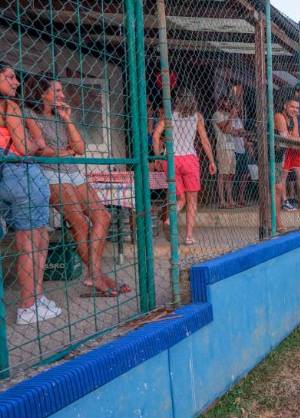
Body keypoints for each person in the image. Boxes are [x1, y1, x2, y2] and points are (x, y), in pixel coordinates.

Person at [24, 75, 130, 297]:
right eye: (58, 91)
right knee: (80, 224)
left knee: (103, 216)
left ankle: (95, 274)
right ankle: (98, 276)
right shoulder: (29, 114)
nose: (63, 96)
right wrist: (66, 152)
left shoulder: (59, 117)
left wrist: (67, 119)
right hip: (50, 174)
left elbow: (80, 148)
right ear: (42, 93)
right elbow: (40, 152)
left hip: (72, 171)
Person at [0, 63, 61, 324]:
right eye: (10, 77)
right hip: (21, 173)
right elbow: (25, 147)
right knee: (30, 242)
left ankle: (35, 297)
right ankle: (27, 305)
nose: (16, 82)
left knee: (37, 237)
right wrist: (35, 143)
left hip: (10, 176)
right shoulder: (9, 107)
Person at [153, 88, 217, 245]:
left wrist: (157, 157)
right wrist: (211, 160)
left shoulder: (168, 116)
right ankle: (189, 236)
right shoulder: (197, 117)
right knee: (192, 200)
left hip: (171, 158)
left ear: (177, 101)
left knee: (179, 197)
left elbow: (155, 135)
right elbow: (204, 140)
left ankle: (169, 218)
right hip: (189, 158)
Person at [275, 96, 300, 215]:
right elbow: (285, 137)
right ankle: (284, 201)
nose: (295, 110)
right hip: (278, 150)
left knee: (299, 175)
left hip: (291, 148)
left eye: (297, 107)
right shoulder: (279, 116)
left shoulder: (294, 118)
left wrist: (298, 139)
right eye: (292, 106)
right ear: (285, 105)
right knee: (282, 178)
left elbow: (294, 136)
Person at [213, 97, 246, 209]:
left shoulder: (228, 116)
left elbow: (234, 132)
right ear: (220, 102)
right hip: (223, 147)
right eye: (226, 101)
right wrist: (231, 117)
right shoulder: (217, 115)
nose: (228, 104)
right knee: (223, 174)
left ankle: (230, 200)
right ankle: (222, 201)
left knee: (230, 175)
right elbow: (226, 130)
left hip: (231, 147)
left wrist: (239, 131)